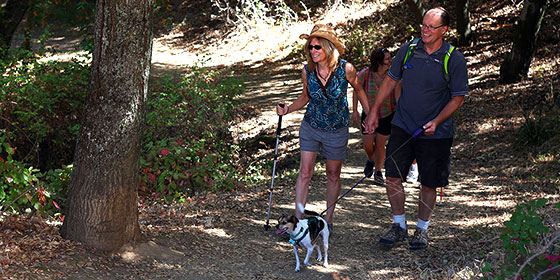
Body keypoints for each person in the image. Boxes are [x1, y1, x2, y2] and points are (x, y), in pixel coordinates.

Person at [364, 7, 468, 249]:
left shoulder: (453, 58)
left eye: (431, 27)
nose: (425, 30)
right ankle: (399, 226)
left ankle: (421, 230)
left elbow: (458, 97)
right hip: (403, 124)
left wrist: (437, 121)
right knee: (392, 175)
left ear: (444, 30)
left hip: (436, 133)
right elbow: (391, 79)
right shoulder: (409, 49)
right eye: (423, 25)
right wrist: (373, 112)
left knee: (429, 182)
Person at [277, 24, 370, 234]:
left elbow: (359, 89)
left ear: (328, 47)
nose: (313, 51)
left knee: (333, 174)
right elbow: (305, 97)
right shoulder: (307, 70)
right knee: (305, 172)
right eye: (310, 47)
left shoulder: (346, 68)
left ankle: (328, 220)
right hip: (311, 125)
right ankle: (298, 222)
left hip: (337, 129)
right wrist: (288, 109)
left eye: (317, 47)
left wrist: (370, 114)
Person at [351, 48, 401, 185]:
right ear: (379, 61)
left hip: (387, 114)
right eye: (387, 59)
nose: (390, 61)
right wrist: (355, 110)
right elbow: (356, 90)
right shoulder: (365, 74)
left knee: (380, 144)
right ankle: (371, 159)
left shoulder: (392, 76)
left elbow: (398, 95)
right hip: (368, 115)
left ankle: (378, 171)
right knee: (368, 145)